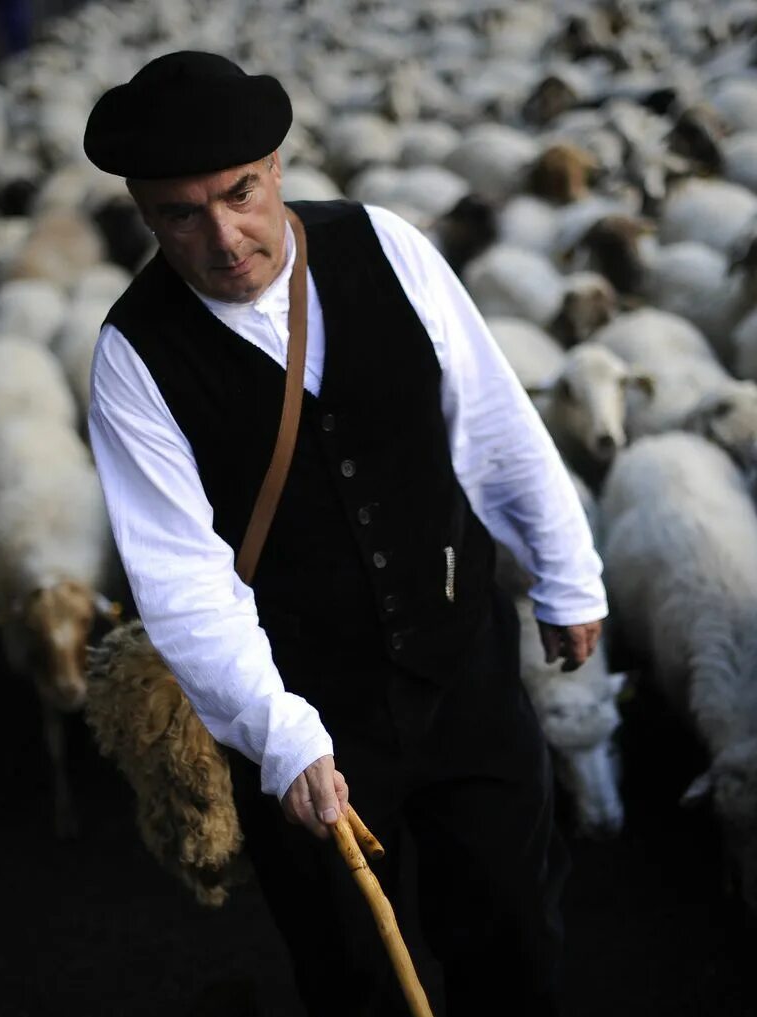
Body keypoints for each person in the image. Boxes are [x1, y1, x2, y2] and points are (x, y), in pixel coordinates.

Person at [83, 52, 607, 1017]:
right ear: (145, 213)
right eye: (180, 214)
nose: (224, 235)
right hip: (304, 707)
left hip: (463, 665)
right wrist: (280, 737)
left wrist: (567, 574)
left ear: (276, 167)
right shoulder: (134, 356)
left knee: (515, 931)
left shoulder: (385, 246)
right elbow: (183, 578)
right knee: (353, 971)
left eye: (239, 193)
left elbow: (492, 420)